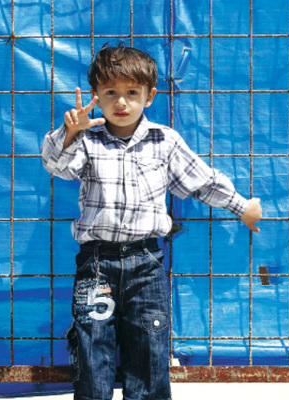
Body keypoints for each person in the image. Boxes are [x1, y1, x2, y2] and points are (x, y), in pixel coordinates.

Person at [41, 44, 262, 400]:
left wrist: (241, 206)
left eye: (132, 92)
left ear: (149, 96)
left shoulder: (164, 141)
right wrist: (70, 133)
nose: (121, 102)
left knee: (149, 347)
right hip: (96, 263)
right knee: (92, 346)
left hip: (146, 263)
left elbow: (200, 181)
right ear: (96, 95)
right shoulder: (87, 141)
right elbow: (57, 167)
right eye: (110, 93)